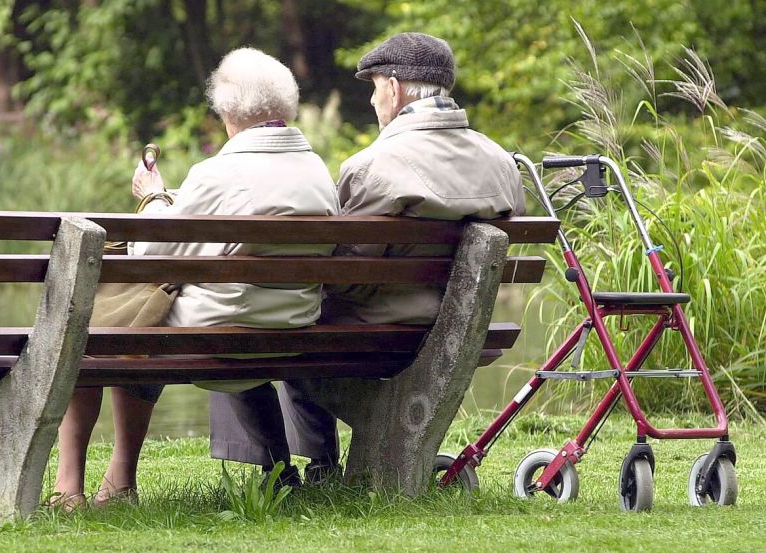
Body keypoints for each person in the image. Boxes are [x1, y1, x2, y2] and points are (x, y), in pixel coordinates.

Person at [210, 32, 527, 483]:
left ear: (394, 88)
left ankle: (286, 469)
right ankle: (318, 466)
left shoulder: (374, 166)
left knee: (263, 313)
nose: (375, 100)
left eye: (374, 87)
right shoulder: (502, 163)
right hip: (463, 333)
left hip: (379, 336)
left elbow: (344, 279)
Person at [49, 48, 341, 509]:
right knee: (130, 318)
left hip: (215, 334)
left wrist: (152, 197)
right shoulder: (318, 171)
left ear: (228, 110)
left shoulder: (217, 172)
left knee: (104, 319)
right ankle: (118, 479)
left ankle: (73, 488)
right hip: (291, 332)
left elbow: (149, 255)